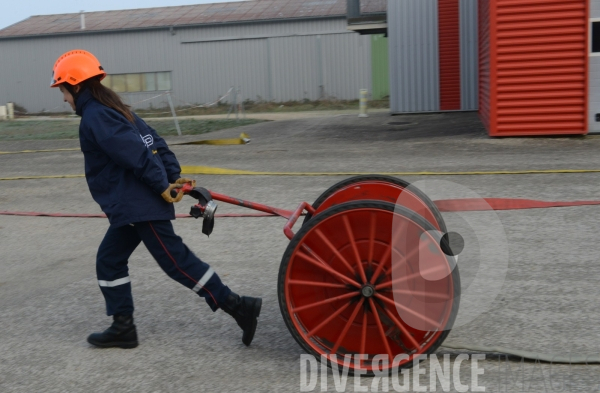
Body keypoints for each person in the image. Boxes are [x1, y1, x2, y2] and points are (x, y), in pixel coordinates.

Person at [50, 49, 261, 348]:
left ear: (76, 85)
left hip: (139, 205)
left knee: (176, 262)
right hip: (133, 204)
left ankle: (238, 306)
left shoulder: (96, 116)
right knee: (109, 261)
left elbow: (137, 153)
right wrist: (171, 176)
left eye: (62, 90)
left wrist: (163, 182)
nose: (63, 98)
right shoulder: (113, 107)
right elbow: (153, 140)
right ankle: (123, 327)